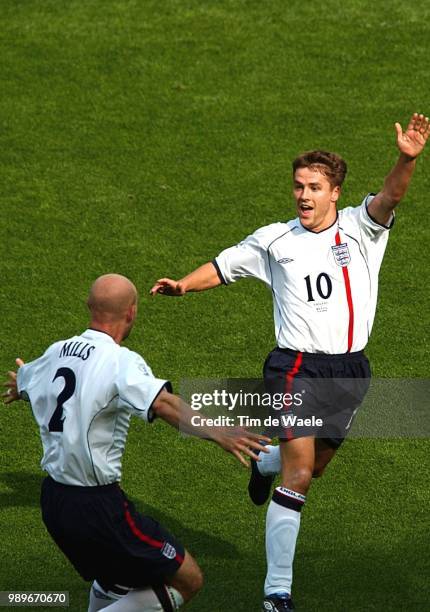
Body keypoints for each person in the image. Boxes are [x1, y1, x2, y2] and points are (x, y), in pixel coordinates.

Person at [150, 113, 430, 611]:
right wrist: (182, 286)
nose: (303, 195)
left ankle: (265, 459)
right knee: (299, 478)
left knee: (314, 468)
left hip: (351, 371)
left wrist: (406, 159)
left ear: (335, 193)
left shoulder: (362, 228)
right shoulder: (274, 240)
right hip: (294, 368)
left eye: (314, 187)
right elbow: (223, 267)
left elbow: (390, 197)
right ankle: (276, 591)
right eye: (299, 186)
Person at [3, 274, 270, 612]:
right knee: (187, 579)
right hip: (97, 506)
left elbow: (28, 381)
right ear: (131, 313)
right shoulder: (120, 362)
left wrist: (20, 387)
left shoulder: (56, 352)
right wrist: (222, 433)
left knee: (118, 578)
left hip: (54, 501)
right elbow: (164, 404)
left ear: (89, 307)